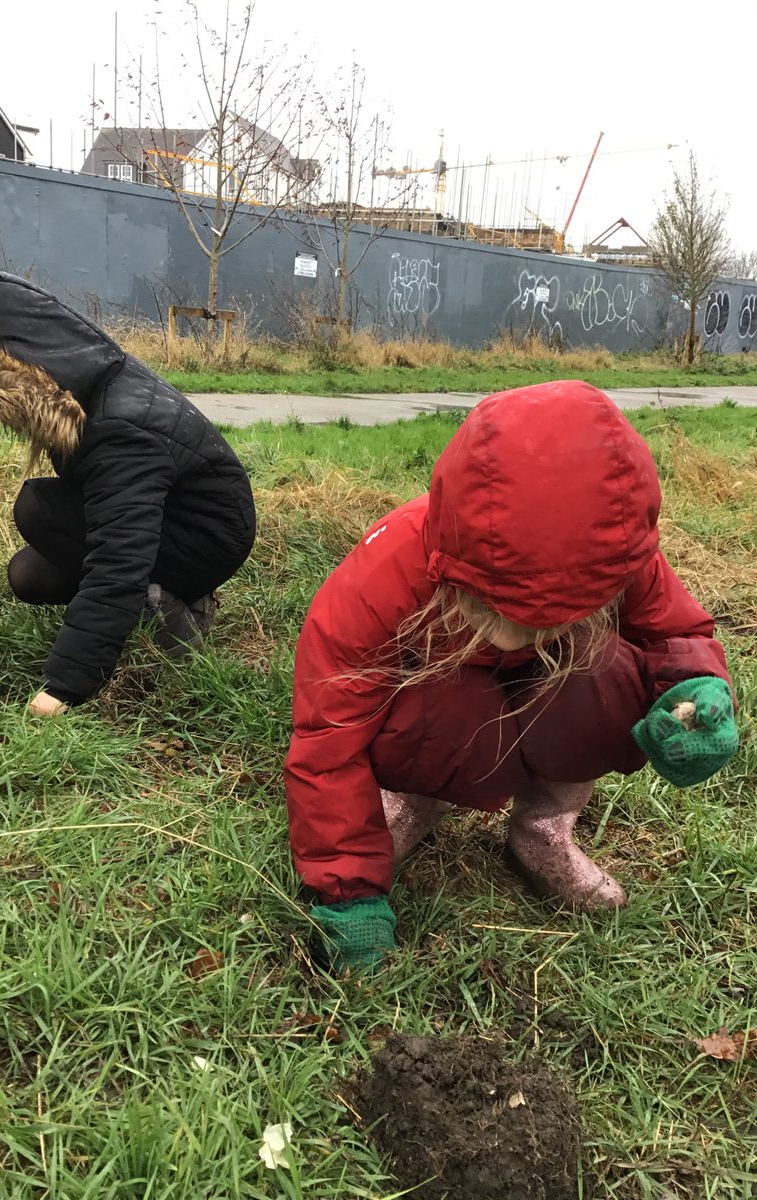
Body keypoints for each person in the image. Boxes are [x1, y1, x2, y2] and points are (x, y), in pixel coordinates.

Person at [284, 380, 738, 974]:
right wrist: (349, 893)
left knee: (608, 671)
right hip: (442, 714)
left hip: (546, 700)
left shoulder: (613, 553)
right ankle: (417, 804)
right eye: (512, 617)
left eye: (564, 618)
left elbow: (674, 633)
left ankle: (544, 826)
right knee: (440, 706)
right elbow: (327, 745)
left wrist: (698, 695)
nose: (541, 636)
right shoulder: (381, 578)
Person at [0, 270, 256, 714]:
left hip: (205, 539)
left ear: (20, 374)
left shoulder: (116, 427)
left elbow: (118, 560)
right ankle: (156, 596)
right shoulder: (89, 386)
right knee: (29, 574)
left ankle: (181, 620)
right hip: (177, 516)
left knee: (39, 509)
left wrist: (64, 688)